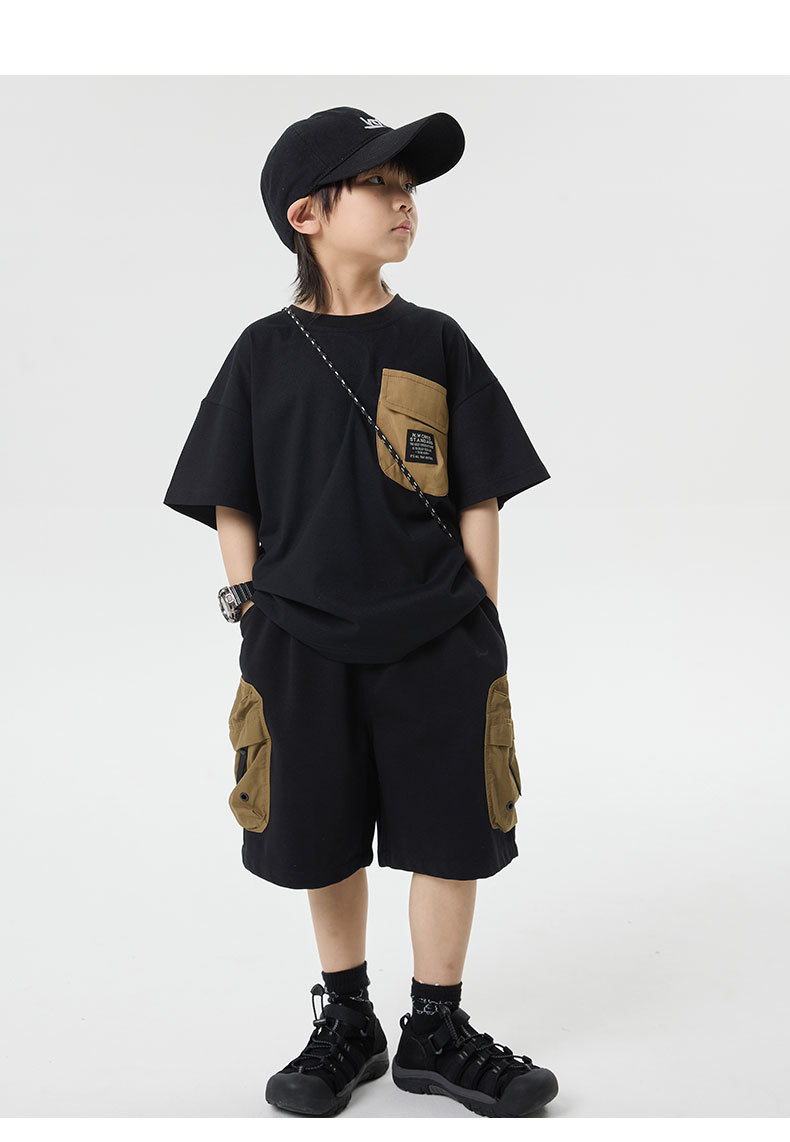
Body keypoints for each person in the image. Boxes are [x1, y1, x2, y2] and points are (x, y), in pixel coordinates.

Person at [163, 105, 557, 1119]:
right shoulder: (262, 352)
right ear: (306, 215)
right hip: (299, 637)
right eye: (378, 183)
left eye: (408, 187)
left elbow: (479, 488)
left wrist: (481, 616)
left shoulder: (435, 340)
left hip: (438, 633)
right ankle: (348, 1018)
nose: (403, 201)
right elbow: (230, 493)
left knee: (452, 829)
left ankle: (436, 1026)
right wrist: (251, 606)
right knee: (319, 830)